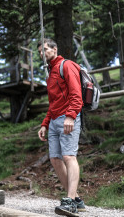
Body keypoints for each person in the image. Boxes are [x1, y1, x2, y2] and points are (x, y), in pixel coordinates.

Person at [37, 38, 86, 216]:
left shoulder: (67, 65)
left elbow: (76, 94)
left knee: (69, 156)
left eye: (45, 50)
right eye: (40, 52)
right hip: (55, 120)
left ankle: (70, 201)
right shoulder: (50, 73)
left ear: (55, 49)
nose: (42, 54)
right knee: (55, 159)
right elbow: (53, 103)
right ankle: (77, 199)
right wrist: (45, 124)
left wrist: (71, 116)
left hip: (68, 118)